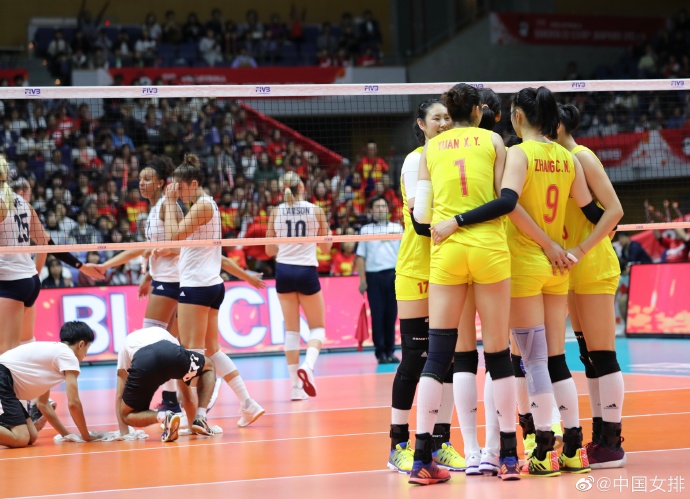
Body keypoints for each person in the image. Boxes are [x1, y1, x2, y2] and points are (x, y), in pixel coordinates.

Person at [497, 87, 620, 476]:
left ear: (518, 116)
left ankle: (544, 449)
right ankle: (573, 449)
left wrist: (553, 244)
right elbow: (591, 208)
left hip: (527, 262)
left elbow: (509, 204)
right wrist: (575, 245)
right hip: (558, 269)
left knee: (531, 360)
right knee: (556, 359)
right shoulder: (566, 158)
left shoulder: (519, 153)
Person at [411, 83, 520, 483]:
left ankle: (421, 459)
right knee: (498, 355)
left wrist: (449, 216)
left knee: (439, 356)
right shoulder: (493, 141)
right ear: (477, 110)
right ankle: (508, 457)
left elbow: (422, 216)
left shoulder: (430, 149)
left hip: (448, 253)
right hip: (489, 249)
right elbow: (504, 200)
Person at [387, 99, 467, 474]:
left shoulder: (456, 158)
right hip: (417, 268)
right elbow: (422, 223)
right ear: (422, 124)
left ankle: (439, 442)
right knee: (414, 358)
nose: (444, 123)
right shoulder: (414, 160)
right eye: (437, 118)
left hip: (448, 266)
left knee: (447, 359)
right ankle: (397, 444)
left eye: (448, 117)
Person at [164, 154, 264, 428]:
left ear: (193, 184)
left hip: (197, 287)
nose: (176, 191)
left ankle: (199, 416)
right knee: (213, 351)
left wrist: (170, 203)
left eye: (180, 187)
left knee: (192, 355)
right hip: (208, 285)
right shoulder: (204, 206)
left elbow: (174, 236)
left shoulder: (203, 206)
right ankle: (248, 404)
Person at [554, 104, 626, 468]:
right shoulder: (555, 161)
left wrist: (582, 248)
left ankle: (612, 442)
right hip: (570, 268)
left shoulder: (582, 156)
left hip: (593, 265)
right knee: (587, 355)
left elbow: (615, 211)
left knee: (602, 354)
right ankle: (599, 437)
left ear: (558, 125)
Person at [0, 157, 103, 354]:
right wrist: (80, 266)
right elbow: (46, 243)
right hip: (28, 281)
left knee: (6, 353)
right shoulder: (22, 202)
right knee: (26, 346)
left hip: (9, 282)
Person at [265, 171, 331, 400]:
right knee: (318, 328)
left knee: (291, 331)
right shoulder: (316, 210)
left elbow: (269, 250)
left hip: (283, 271)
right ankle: (308, 366)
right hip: (306, 271)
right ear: (302, 187)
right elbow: (326, 249)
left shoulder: (276, 211)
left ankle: (295, 387)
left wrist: (285, 243)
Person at [0, 321, 103, 447]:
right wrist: (86, 436)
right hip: (3, 378)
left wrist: (67, 435)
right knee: (21, 438)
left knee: (31, 436)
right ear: (81, 344)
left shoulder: (54, 355)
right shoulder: (68, 356)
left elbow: (43, 404)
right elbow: (73, 403)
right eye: (88, 348)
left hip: (7, 382)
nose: (86, 354)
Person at [115, 326, 216, 442]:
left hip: (143, 362)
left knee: (126, 414)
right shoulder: (165, 334)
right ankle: (200, 416)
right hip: (169, 351)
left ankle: (165, 416)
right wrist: (192, 424)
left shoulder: (126, 343)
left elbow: (119, 395)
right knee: (208, 367)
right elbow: (187, 397)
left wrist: (124, 433)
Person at [356, 196, 403, 364]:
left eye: (383, 206)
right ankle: (380, 352)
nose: (381, 209)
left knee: (391, 315)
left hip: (393, 276)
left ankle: (390, 351)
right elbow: (360, 256)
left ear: (388, 209)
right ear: (371, 210)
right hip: (374, 277)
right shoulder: (366, 230)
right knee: (377, 315)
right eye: (377, 206)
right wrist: (362, 280)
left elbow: (403, 254)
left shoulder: (397, 228)